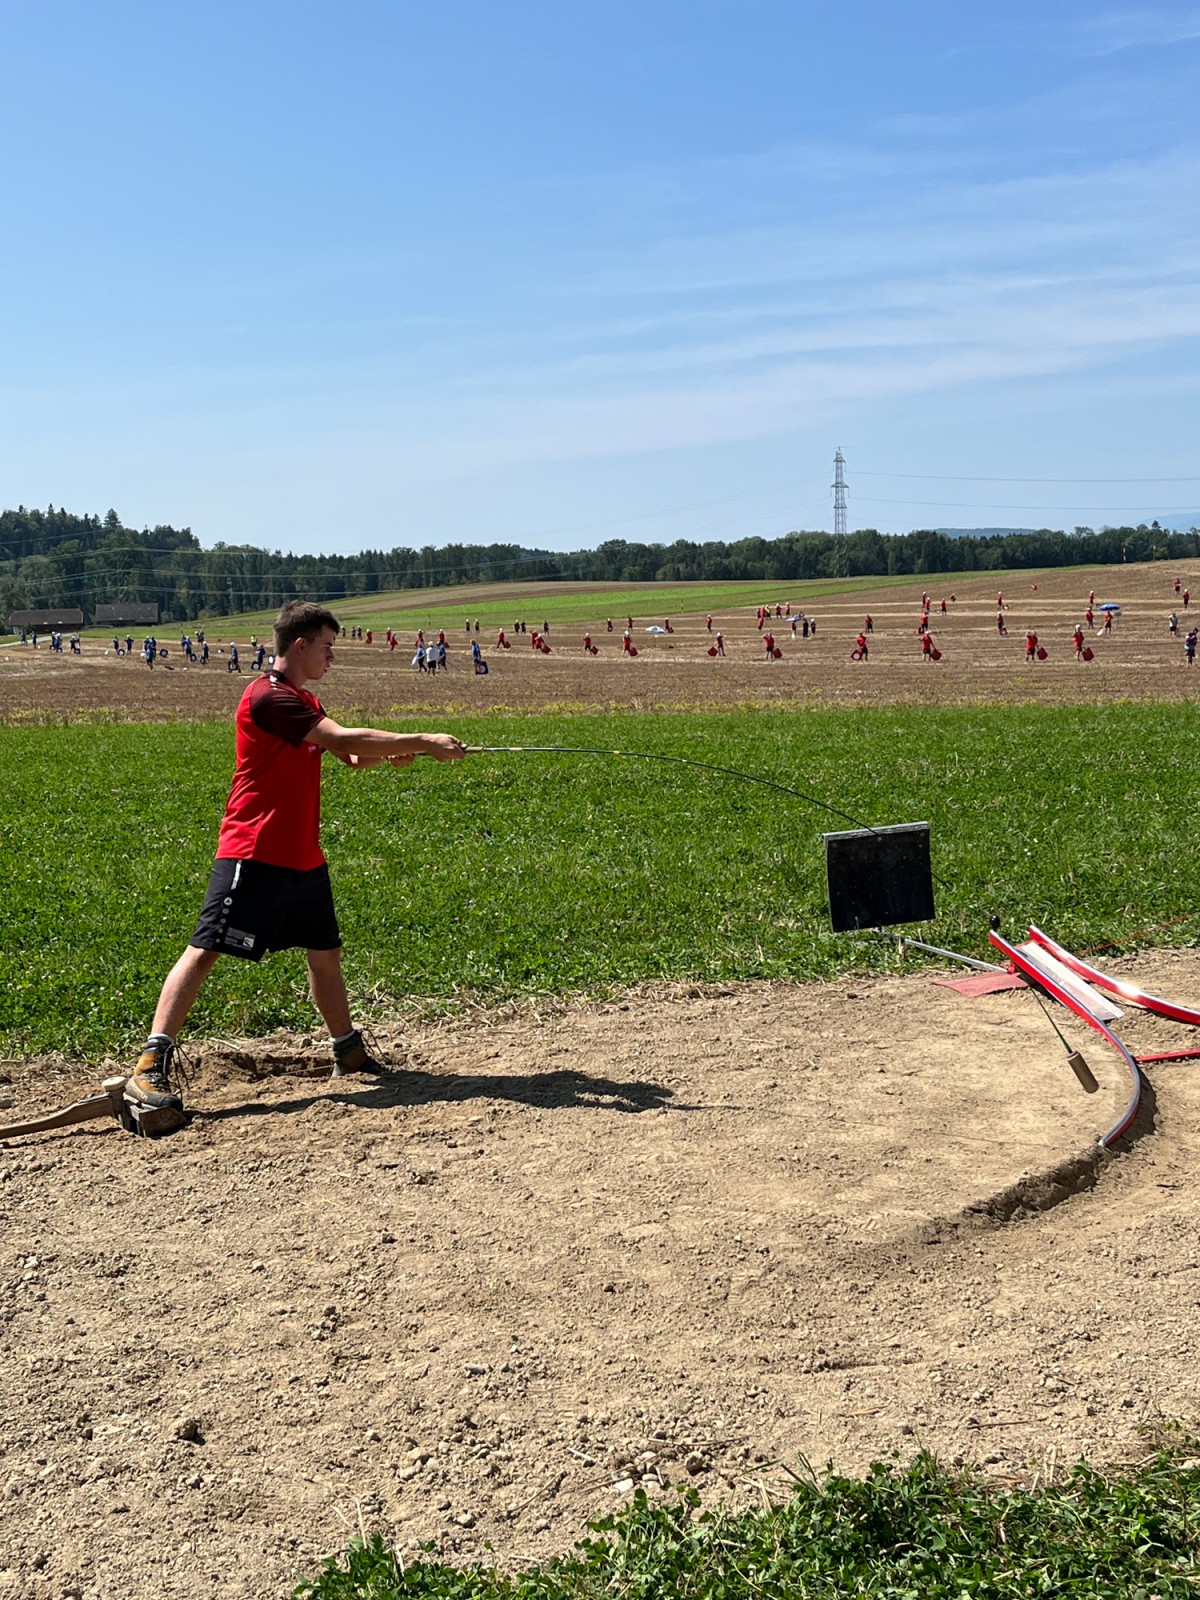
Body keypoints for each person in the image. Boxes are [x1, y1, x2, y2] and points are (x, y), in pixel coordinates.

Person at [122, 601, 467, 1125]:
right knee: (206, 950)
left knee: (325, 953)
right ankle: (149, 1065)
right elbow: (340, 738)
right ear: (300, 645)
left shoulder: (304, 699)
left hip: (302, 856)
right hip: (254, 851)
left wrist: (399, 754)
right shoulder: (269, 697)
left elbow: (352, 755)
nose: (332, 657)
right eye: (327, 647)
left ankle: (347, 1051)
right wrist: (424, 739)